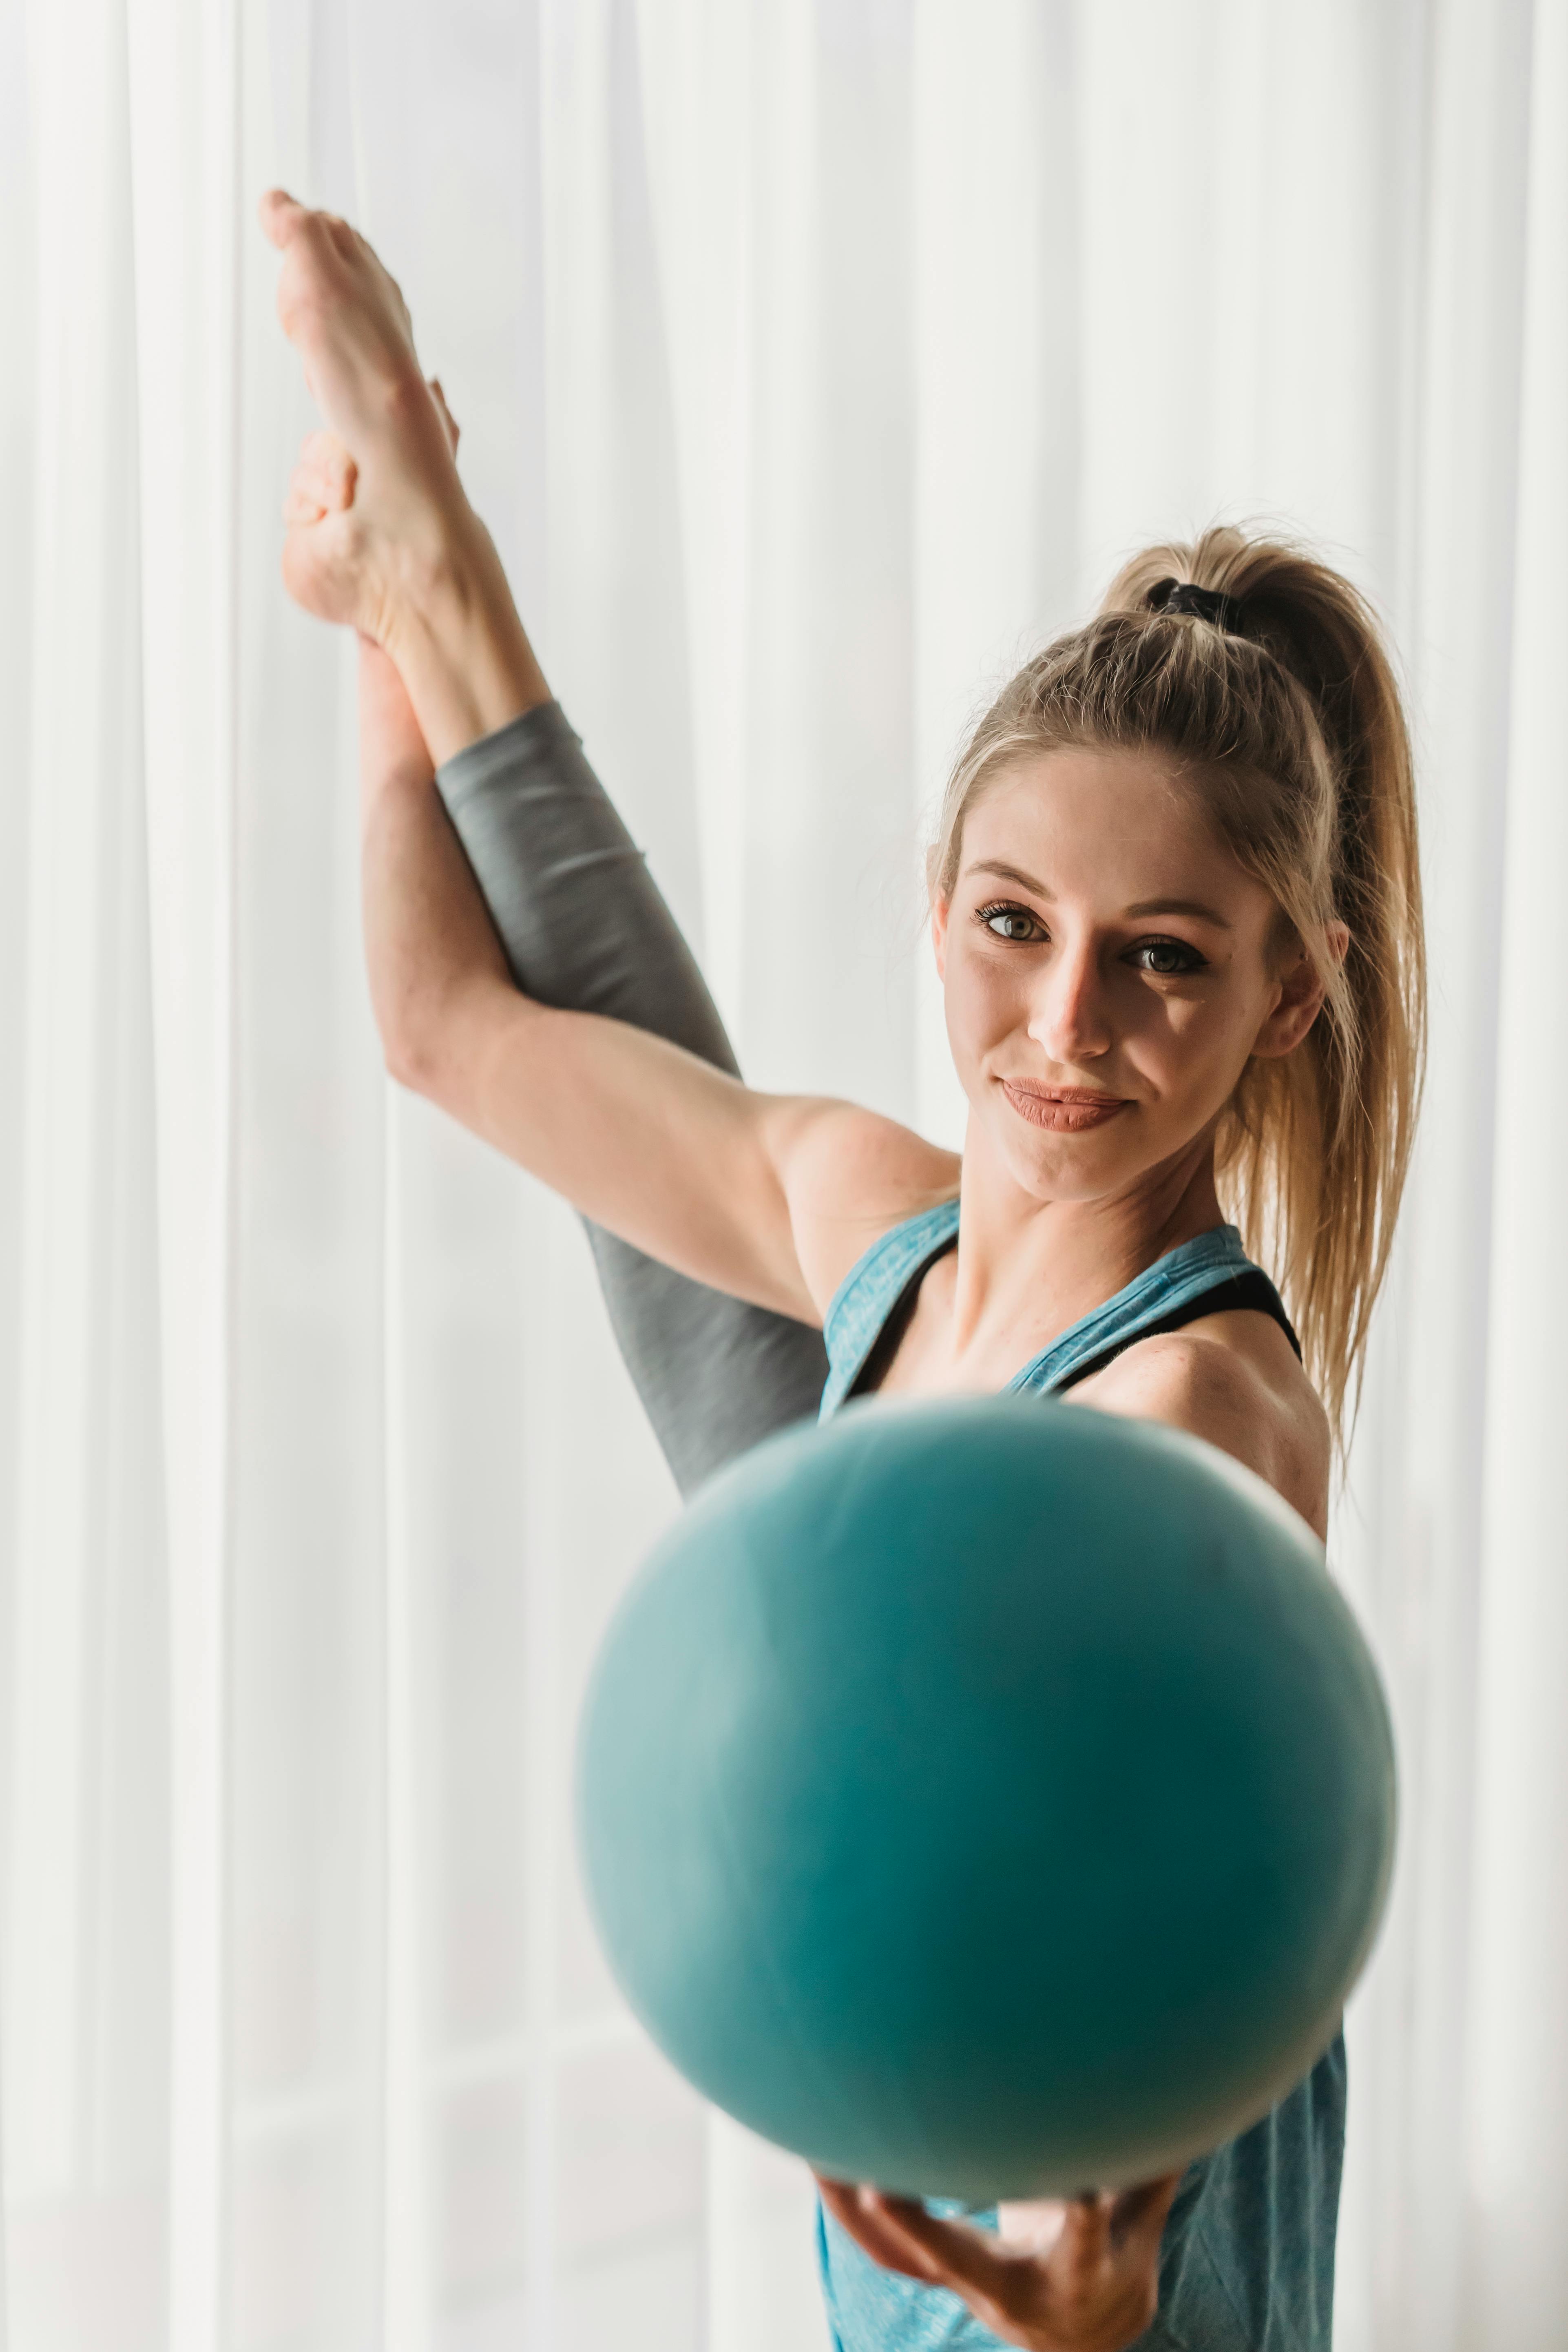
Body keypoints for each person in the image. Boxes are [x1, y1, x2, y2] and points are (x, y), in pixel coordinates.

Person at [261, 190, 1425, 2352]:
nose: (1064, 1021)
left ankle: (453, 585)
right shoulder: (871, 1212)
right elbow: (444, 1027)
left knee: (767, 1399)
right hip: (899, 2283)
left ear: (1289, 997)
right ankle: (442, 582)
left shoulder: (1189, 1422)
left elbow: (1179, 1927)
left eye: (1160, 961)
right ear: (934, 902)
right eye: (1012, 923)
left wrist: (1088, 2298)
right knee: (760, 1259)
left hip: (1091, 2323)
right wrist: (365, 632)